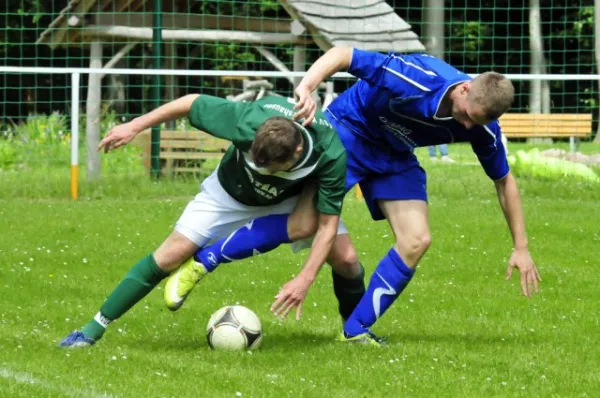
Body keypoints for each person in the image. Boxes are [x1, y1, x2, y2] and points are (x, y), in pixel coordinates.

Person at [173, 48, 542, 346]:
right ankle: (205, 259)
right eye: (466, 117)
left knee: (417, 240)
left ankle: (355, 331)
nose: (465, 127)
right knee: (304, 224)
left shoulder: (482, 126)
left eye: (474, 124)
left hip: (396, 154)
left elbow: (504, 181)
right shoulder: (416, 76)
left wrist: (521, 246)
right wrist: (308, 87)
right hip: (349, 131)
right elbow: (343, 55)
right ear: (464, 89)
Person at [59, 93, 366, 348]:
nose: (263, 170)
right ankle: (91, 330)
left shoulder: (330, 154)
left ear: (298, 149)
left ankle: (355, 333)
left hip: (289, 202)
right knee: (169, 255)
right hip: (228, 194)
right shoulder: (245, 121)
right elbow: (191, 102)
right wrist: (135, 126)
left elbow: (327, 225)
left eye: (272, 168)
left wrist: (305, 278)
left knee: (348, 260)